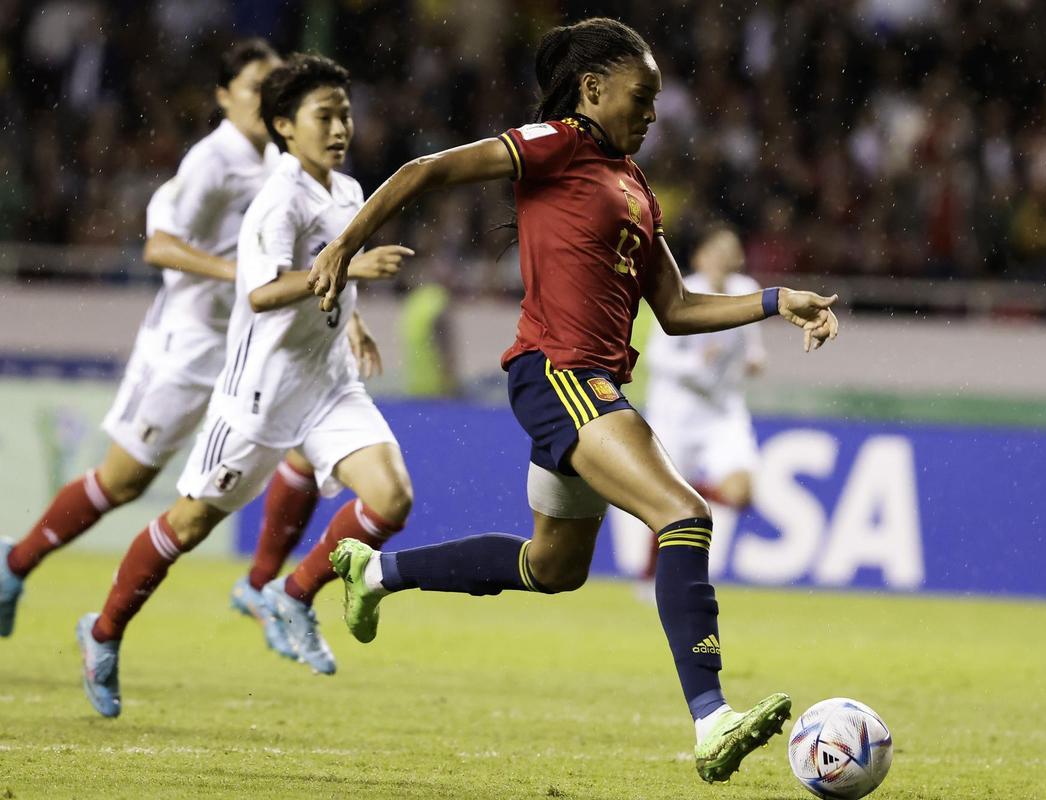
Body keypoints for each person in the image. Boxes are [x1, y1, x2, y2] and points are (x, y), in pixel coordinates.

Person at [309, 18, 838, 783]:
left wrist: (773, 299)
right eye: (641, 96)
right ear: (592, 89)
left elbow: (680, 309)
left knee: (553, 567)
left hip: (590, 384)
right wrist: (344, 246)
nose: (652, 114)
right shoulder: (556, 143)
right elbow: (424, 170)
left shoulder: (637, 188)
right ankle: (712, 719)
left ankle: (379, 573)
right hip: (560, 375)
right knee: (683, 516)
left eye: (656, 101)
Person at [0, 40, 373, 647]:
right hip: (192, 343)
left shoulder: (286, 166)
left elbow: (315, 253)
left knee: (310, 447)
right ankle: (15, 566)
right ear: (224, 96)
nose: (266, 96)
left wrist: (345, 314)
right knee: (123, 482)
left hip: (258, 344)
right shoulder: (215, 160)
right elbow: (159, 244)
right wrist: (247, 274)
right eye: (254, 86)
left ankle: (259, 585)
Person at [76, 53, 415, 717]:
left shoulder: (345, 191)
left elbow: (327, 277)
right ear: (285, 126)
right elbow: (261, 294)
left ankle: (292, 595)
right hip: (260, 394)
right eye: (325, 116)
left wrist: (354, 323)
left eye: (345, 113)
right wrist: (351, 268)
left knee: (392, 497)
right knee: (189, 522)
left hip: (327, 383)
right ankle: (104, 630)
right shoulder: (277, 200)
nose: (341, 126)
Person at [637, 225, 765, 590]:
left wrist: (756, 359)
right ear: (700, 257)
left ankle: (691, 492)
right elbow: (657, 358)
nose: (724, 259)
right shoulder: (681, 291)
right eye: (716, 251)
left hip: (723, 411)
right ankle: (648, 577)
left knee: (741, 493)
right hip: (676, 413)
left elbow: (752, 344)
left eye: (730, 251)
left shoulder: (745, 290)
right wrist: (697, 363)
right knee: (664, 506)